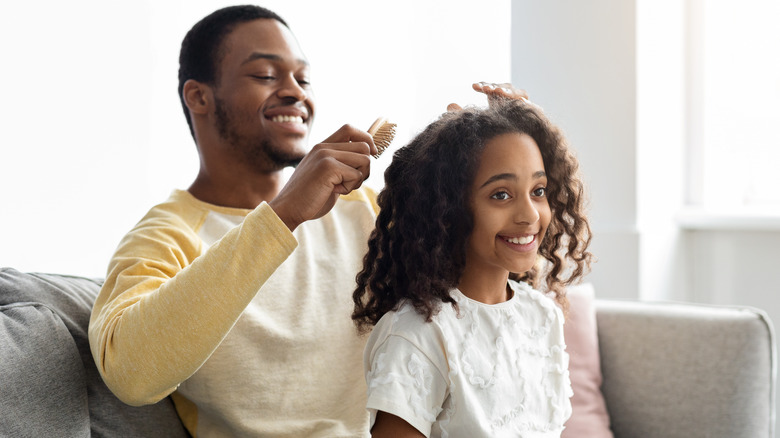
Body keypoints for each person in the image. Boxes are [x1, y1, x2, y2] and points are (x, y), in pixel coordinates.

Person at [88, 4, 527, 437]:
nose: (295, 91)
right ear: (199, 96)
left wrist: (492, 167)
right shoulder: (167, 235)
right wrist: (283, 216)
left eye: (304, 78)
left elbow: (498, 298)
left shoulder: (364, 211)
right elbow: (131, 375)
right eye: (265, 74)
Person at [352, 99, 593, 437]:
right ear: (448, 210)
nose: (529, 215)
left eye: (538, 191)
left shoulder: (542, 315)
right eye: (501, 195)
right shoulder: (419, 333)